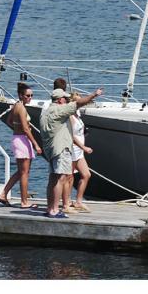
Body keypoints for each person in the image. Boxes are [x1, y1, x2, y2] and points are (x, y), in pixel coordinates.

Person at [40, 86, 103, 218]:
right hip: (61, 149)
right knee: (61, 178)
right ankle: (55, 210)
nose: (66, 100)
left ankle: (50, 207)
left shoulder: (45, 112)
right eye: (65, 98)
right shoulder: (60, 110)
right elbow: (79, 103)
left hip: (51, 149)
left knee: (52, 179)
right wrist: (94, 94)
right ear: (60, 100)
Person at [0, 83, 42, 208]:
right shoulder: (21, 108)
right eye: (27, 95)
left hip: (18, 139)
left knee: (21, 172)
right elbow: (26, 129)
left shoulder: (15, 106)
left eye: (31, 95)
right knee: (25, 173)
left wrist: (17, 129)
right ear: (21, 95)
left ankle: (3, 194)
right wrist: (36, 144)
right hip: (22, 140)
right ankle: (24, 202)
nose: (30, 97)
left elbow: (9, 121)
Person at [64, 92, 93, 213]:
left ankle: (78, 201)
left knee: (86, 175)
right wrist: (84, 147)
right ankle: (66, 203)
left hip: (79, 151)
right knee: (69, 177)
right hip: (73, 149)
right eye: (78, 102)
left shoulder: (77, 114)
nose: (80, 103)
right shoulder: (70, 116)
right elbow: (71, 136)